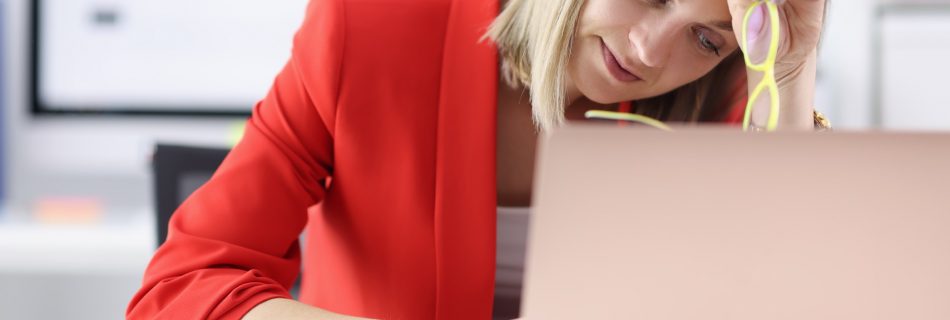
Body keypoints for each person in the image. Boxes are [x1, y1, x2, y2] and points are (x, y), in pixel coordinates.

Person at [127, 0, 828, 319]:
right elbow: (181, 288)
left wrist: (793, 78)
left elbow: (796, 298)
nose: (651, 53)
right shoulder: (371, 27)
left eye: (705, 38)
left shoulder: (720, 97)